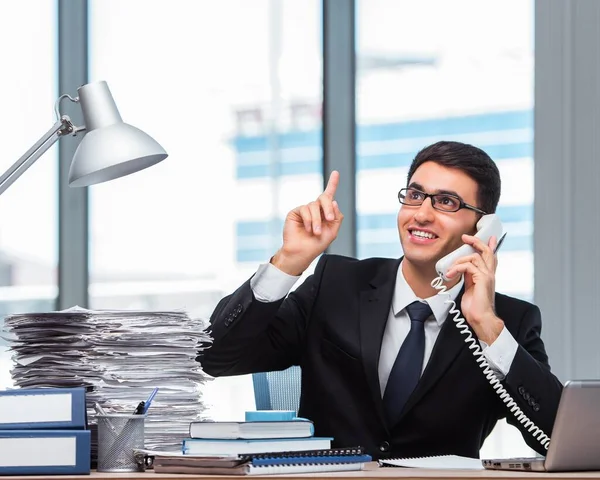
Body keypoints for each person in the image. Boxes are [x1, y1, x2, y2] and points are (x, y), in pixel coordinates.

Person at [199, 140, 563, 460]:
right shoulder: (336, 284)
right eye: (416, 195)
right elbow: (214, 357)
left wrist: (487, 326)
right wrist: (288, 262)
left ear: (483, 228)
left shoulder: (509, 321)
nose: (421, 213)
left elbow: (557, 440)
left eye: (447, 202)